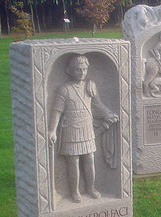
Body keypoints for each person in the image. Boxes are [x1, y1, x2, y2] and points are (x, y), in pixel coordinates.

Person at [48, 54, 118, 203]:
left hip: (86, 126)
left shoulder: (89, 86)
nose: (82, 72)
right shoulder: (64, 89)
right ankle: (74, 191)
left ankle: (90, 187)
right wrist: (52, 130)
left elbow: (97, 105)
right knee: (73, 161)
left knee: (89, 159)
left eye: (84, 69)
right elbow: (57, 111)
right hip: (71, 129)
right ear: (70, 71)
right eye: (78, 69)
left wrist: (108, 114)